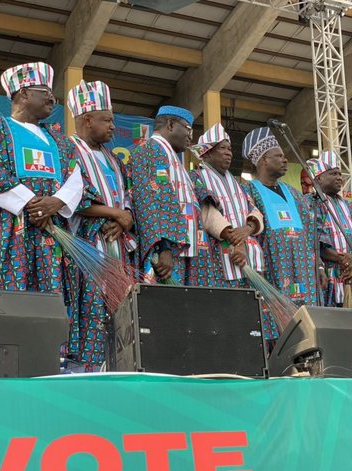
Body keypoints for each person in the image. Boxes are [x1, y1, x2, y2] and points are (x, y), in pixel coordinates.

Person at [0, 62, 84, 324]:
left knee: (50, 298)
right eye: (44, 91)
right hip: (11, 228)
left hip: (51, 231)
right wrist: (30, 203)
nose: (52, 98)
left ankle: (52, 355)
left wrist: (56, 202)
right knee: (9, 295)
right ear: (22, 93)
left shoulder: (58, 138)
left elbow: (76, 177)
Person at [67, 80, 136, 371]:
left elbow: (128, 196)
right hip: (86, 245)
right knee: (90, 307)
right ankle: (86, 368)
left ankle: (117, 365)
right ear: (87, 119)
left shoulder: (114, 159)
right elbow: (72, 196)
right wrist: (115, 214)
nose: (112, 127)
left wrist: (125, 218)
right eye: (107, 120)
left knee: (121, 308)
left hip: (116, 246)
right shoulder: (68, 150)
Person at [242, 127, 323, 342]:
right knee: (276, 332)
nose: (285, 160)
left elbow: (310, 234)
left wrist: (320, 266)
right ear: (263, 160)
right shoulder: (248, 191)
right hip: (272, 272)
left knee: (308, 328)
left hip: (305, 272)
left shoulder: (295, 194)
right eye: (278, 156)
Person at [127, 105, 216, 285]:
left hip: (187, 249)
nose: (191, 136)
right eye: (188, 129)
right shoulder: (150, 150)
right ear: (170, 125)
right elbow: (149, 202)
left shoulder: (173, 157)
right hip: (169, 254)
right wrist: (163, 248)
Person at [190, 123, 265, 288]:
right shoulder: (197, 177)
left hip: (247, 254)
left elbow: (253, 210)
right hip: (222, 255)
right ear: (207, 152)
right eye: (222, 148)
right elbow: (208, 213)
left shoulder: (237, 183)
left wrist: (248, 229)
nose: (228, 153)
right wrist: (236, 241)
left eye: (230, 149)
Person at [312, 151, 352, 309]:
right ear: (319, 177)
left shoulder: (350, 206)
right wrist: (343, 260)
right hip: (329, 273)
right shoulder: (311, 203)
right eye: (333, 173)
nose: (339, 178)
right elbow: (313, 242)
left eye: (340, 174)